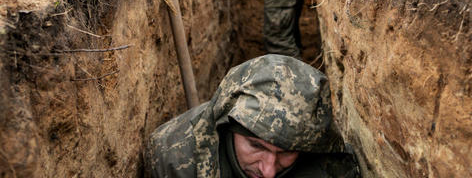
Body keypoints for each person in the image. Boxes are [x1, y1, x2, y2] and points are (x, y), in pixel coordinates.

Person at [145, 54, 360, 178]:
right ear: (227, 125)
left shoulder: (330, 168)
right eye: (256, 146)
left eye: (287, 152)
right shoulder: (174, 158)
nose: (268, 172)